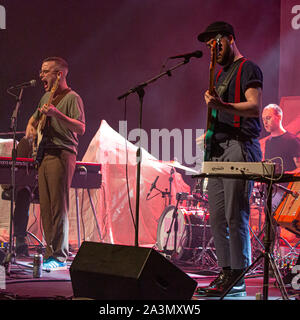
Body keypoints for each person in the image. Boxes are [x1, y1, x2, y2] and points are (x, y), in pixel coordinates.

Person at [195, 21, 263, 297]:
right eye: (209, 46)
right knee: (218, 216)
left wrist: (221, 105)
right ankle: (226, 272)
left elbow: (255, 106)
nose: (213, 50)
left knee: (236, 214)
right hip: (218, 149)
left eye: (216, 43)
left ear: (230, 39)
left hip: (239, 145)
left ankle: (239, 274)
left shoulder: (247, 68)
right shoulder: (220, 75)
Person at [25, 57, 85, 270]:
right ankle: (51, 252)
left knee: (59, 206)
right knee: (47, 208)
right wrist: (31, 128)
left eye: (46, 71)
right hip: (44, 154)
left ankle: (59, 256)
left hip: (62, 153)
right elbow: (32, 120)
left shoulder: (72, 97)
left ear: (59, 74)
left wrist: (57, 114)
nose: (41, 76)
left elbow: (81, 128)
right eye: (41, 71)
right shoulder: (44, 97)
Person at [262, 103, 300, 171]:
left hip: (288, 181)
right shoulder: (268, 142)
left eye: (268, 118)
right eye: (263, 119)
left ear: (279, 117)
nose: (265, 122)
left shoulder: (292, 140)